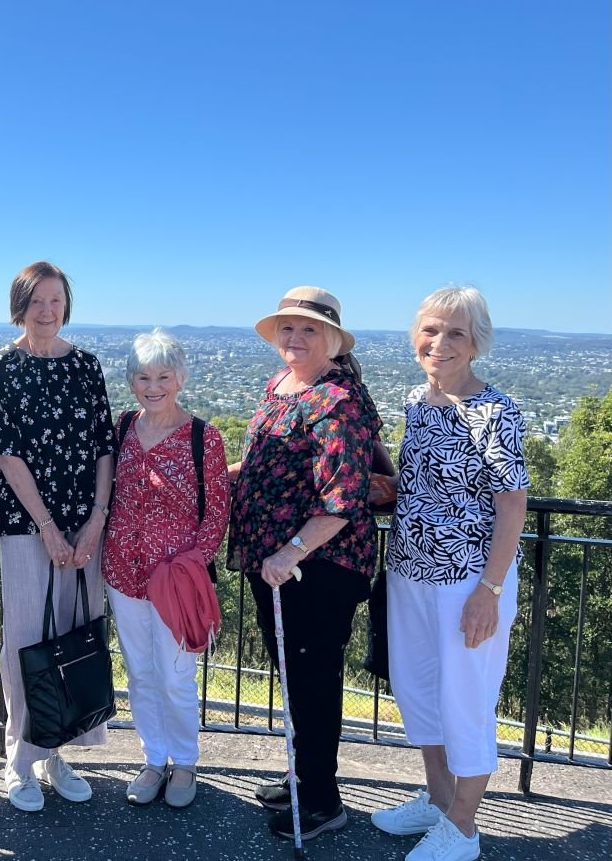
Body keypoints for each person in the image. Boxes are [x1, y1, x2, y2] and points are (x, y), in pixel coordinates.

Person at [370, 288, 529, 861]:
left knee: (466, 698)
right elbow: (421, 483)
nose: (439, 343)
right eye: (431, 330)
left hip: (467, 579)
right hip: (410, 571)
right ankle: (438, 802)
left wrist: (488, 590)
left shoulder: (495, 411)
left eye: (455, 333)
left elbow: (513, 502)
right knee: (420, 693)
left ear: (476, 343)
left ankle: (463, 827)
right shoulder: (418, 401)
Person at [226, 285, 383, 843]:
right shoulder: (279, 386)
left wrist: (291, 550)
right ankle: (303, 776)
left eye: (309, 329)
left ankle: (321, 799)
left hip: (316, 568)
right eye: (287, 328)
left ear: (332, 340)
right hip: (273, 564)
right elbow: (266, 458)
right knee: (295, 679)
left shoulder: (338, 401)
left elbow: (342, 497)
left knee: (314, 681)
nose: (295, 337)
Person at [0, 260, 116, 812]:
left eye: (55, 299)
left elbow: (105, 445)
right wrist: (48, 529)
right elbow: (6, 454)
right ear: (20, 305)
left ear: (67, 304)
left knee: (72, 632)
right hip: (25, 526)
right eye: (36, 300)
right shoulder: (2, 368)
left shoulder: (86, 366)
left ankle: (56, 749)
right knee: (26, 639)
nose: (47, 310)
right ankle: (20, 758)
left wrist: (95, 520)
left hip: (86, 525)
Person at [102, 329, 229, 808]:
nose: (152, 385)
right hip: (122, 571)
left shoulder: (204, 437)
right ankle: (154, 758)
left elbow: (216, 513)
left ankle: (186, 762)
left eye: (163, 375)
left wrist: (191, 566)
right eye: (143, 376)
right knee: (139, 672)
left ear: (179, 378)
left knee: (176, 675)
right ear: (132, 381)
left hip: (175, 579)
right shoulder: (122, 428)